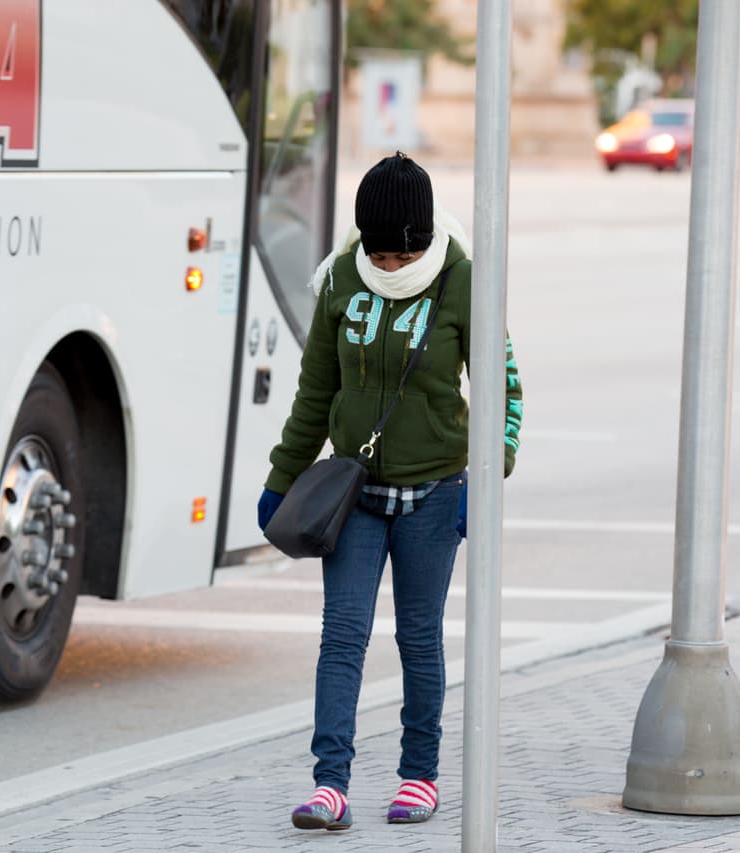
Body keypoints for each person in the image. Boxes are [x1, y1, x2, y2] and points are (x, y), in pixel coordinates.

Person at [257, 152, 523, 831]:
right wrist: (282, 478)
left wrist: (487, 480)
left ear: (424, 239)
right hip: (357, 496)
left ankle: (419, 774)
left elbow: (504, 392)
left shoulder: (463, 282)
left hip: (434, 495)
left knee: (418, 635)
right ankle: (329, 783)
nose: (392, 268)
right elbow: (316, 392)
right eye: (380, 256)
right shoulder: (342, 280)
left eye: (402, 257)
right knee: (342, 635)